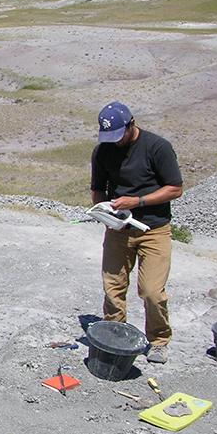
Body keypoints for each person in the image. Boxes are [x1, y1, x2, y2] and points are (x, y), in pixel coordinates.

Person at [91, 101, 183, 364]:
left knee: (152, 291)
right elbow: (97, 188)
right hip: (119, 228)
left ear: (132, 124)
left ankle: (158, 340)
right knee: (113, 287)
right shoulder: (102, 151)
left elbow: (175, 188)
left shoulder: (157, 147)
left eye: (119, 136)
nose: (115, 142)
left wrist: (137, 202)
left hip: (153, 228)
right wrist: (103, 210)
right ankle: (114, 332)